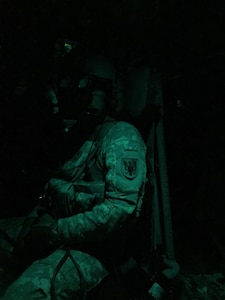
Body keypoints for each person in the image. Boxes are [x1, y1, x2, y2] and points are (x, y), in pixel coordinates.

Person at [0, 54, 148, 299]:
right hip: (53, 228)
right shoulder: (81, 133)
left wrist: (56, 231)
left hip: (93, 249)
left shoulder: (122, 137)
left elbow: (119, 210)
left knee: (23, 294)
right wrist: (39, 217)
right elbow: (56, 183)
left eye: (85, 90)